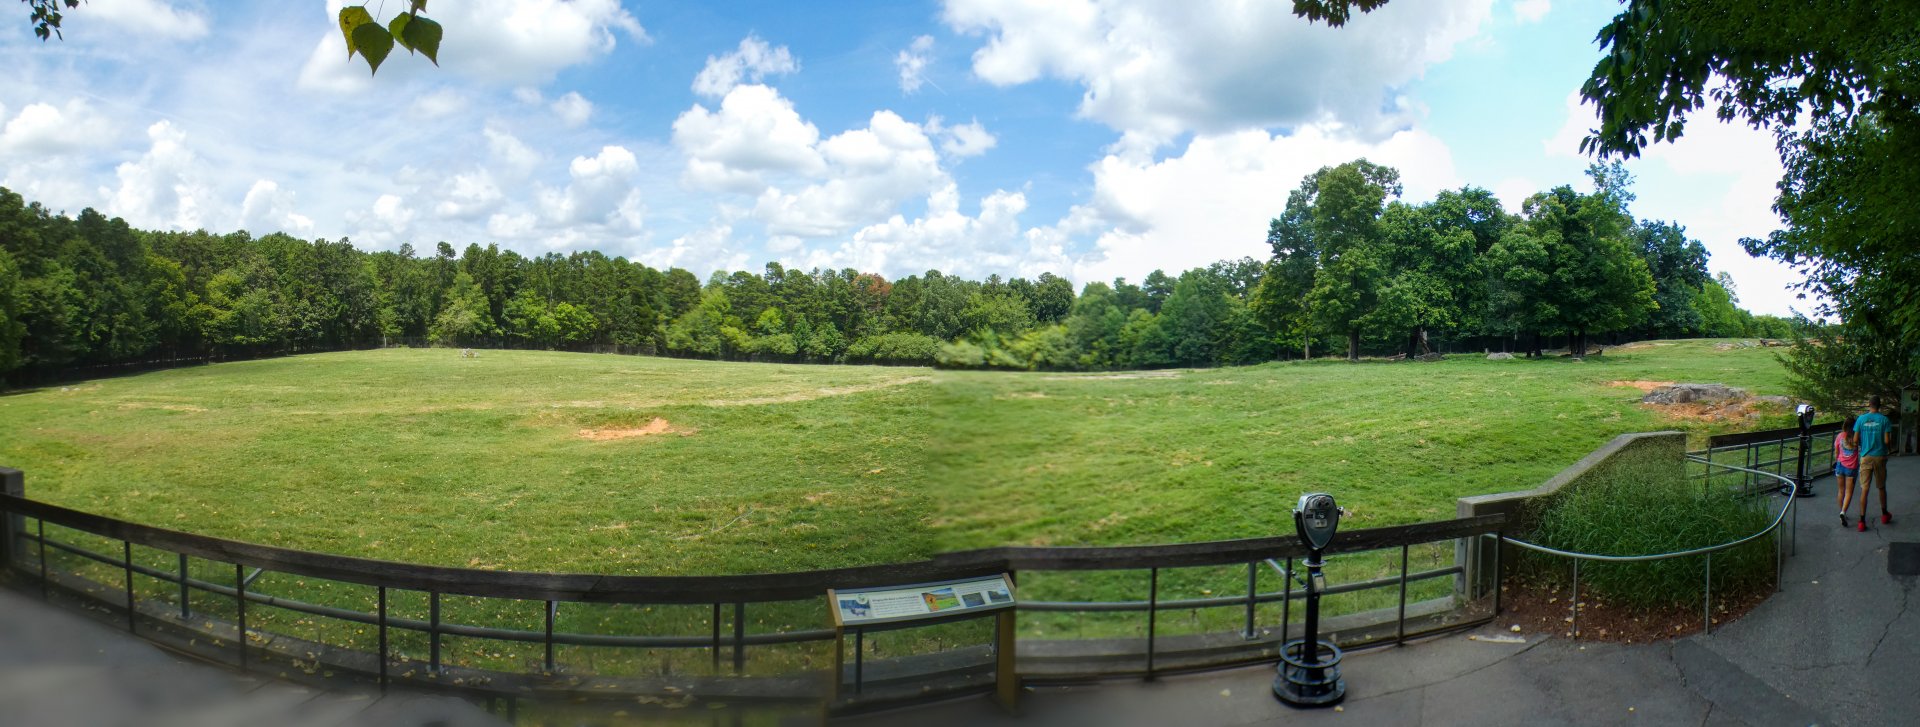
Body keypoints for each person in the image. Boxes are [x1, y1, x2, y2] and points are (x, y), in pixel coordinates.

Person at [1854, 395, 1894, 530]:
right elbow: (1887, 441)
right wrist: (1888, 450)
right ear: (1879, 405)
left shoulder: (1860, 419)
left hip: (1865, 456)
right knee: (1881, 487)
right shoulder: (1884, 420)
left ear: (1869, 404)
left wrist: (1864, 445)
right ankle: (1884, 515)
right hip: (1880, 456)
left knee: (1864, 489)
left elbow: (1855, 440)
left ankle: (1861, 521)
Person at [1836, 415, 1859, 527]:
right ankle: (1843, 512)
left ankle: (1842, 512)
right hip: (1851, 467)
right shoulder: (1856, 437)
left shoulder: (1840, 436)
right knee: (1849, 492)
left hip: (1840, 465)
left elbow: (1836, 452)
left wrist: (1837, 460)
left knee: (1841, 491)